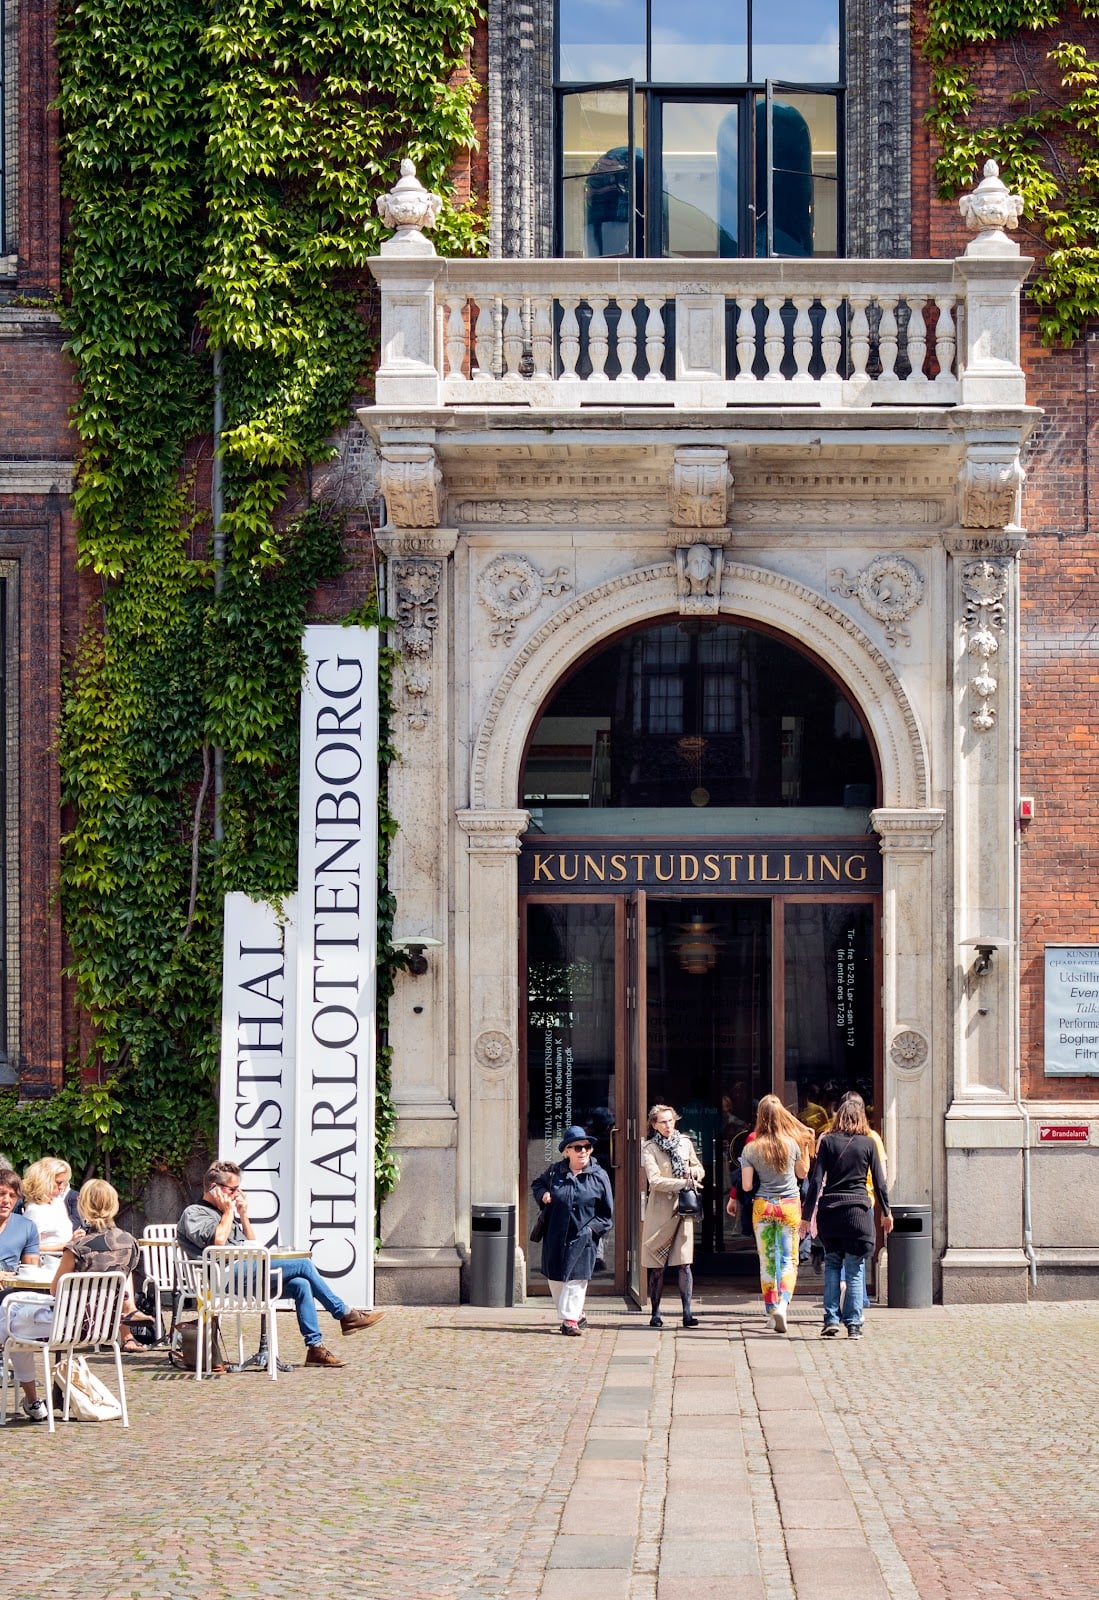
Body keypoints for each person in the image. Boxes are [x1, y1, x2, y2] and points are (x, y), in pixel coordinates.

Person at [177, 1160, 383, 1368]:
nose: (237, 1193)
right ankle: (345, 1314)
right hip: (225, 1279)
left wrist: (243, 1214)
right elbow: (218, 1243)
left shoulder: (226, 1213)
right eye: (233, 1189)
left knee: (301, 1284)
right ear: (214, 1188)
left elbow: (251, 1244)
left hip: (247, 1274)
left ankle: (316, 1349)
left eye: (238, 1188)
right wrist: (229, 1212)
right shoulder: (195, 1213)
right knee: (302, 1264)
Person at [0, 1177, 137, 1421]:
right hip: (102, 1328)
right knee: (12, 1319)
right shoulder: (129, 1243)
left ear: (83, 1206)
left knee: (9, 1319)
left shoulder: (78, 1247)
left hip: (68, 1326)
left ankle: (32, 1401)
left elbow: (56, 1289)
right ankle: (33, 1402)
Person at [799, 1092, 893, 1338]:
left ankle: (830, 1319)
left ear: (839, 1116)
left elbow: (816, 1180)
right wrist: (886, 1212)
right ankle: (854, 1324)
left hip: (830, 1212)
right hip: (858, 1212)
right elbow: (881, 1183)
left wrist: (806, 1217)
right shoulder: (869, 1143)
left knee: (832, 1265)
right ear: (861, 1117)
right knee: (855, 1267)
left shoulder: (828, 1141)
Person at [728, 1094, 814, 1333]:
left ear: (759, 1117)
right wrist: (805, 1147)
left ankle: (771, 1309)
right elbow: (802, 1173)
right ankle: (783, 1305)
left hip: (763, 1205)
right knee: (789, 1259)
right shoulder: (792, 1144)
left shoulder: (751, 1148)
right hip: (789, 1205)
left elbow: (745, 1186)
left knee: (767, 1261)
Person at [531, 1126, 614, 1337]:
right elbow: (537, 1184)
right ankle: (577, 1314)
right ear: (567, 1151)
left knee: (576, 1279)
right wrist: (543, 1194)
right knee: (556, 1279)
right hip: (556, 1235)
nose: (583, 1151)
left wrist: (591, 1230)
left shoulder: (599, 1176)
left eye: (587, 1146)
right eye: (577, 1147)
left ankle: (569, 1321)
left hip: (583, 1237)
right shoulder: (554, 1172)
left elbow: (606, 1214)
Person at [641, 1104, 704, 1329]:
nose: (668, 1126)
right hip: (659, 1212)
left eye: (671, 1120)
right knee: (657, 1264)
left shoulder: (685, 1142)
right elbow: (655, 1181)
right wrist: (684, 1182)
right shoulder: (649, 1148)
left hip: (683, 1210)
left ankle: (687, 1313)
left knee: (684, 1264)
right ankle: (655, 1312)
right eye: (663, 1122)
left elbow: (698, 1167)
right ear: (654, 1125)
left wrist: (695, 1172)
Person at [21, 1157, 79, 1254]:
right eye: (58, 1183)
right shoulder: (35, 1209)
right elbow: (30, 1247)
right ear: (43, 1181)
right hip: (47, 1263)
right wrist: (64, 1246)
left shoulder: (58, 1203)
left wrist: (73, 1239)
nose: (62, 1187)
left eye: (64, 1183)